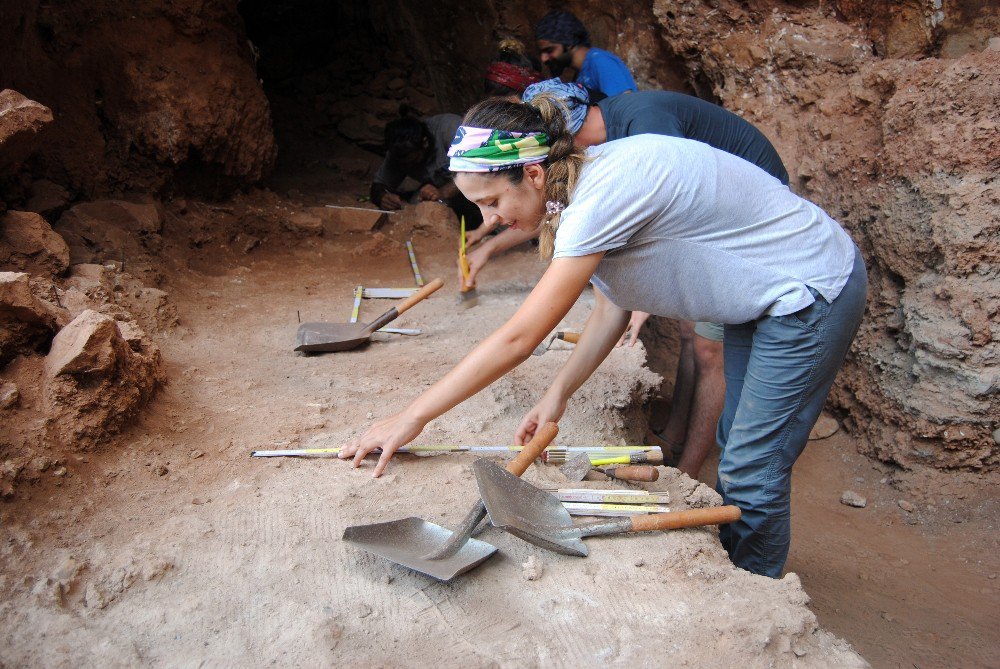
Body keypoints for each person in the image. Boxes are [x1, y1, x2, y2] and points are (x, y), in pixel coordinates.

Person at [339, 96, 867, 578]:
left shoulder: (601, 195)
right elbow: (613, 304)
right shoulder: (581, 190)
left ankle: (755, 594)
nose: (489, 218)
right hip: (760, 301)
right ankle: (735, 564)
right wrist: (559, 393)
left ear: (533, 174)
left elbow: (519, 337)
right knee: (739, 445)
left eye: (493, 200)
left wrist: (412, 416)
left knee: (754, 465)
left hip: (809, 293)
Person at [463, 81, 792, 479]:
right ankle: (672, 437)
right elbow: (605, 289)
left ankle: (687, 473)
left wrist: (638, 300)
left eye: (491, 203)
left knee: (710, 352)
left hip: (754, 239)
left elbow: (669, 215)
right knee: (693, 337)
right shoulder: (601, 159)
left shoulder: (635, 143)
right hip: (732, 239)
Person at [369, 109, 482, 226]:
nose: (408, 166)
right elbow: (378, 185)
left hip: (482, 184)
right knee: (416, 207)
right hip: (445, 192)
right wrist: (381, 197)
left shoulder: (450, 129)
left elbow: (479, 170)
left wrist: (443, 191)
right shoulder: (399, 152)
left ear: (425, 143)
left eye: (413, 160)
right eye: (403, 164)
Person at [535, 9, 636, 98]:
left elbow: (626, 108)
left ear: (569, 43)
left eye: (549, 50)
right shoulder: (580, 74)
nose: (544, 58)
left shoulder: (601, 62)